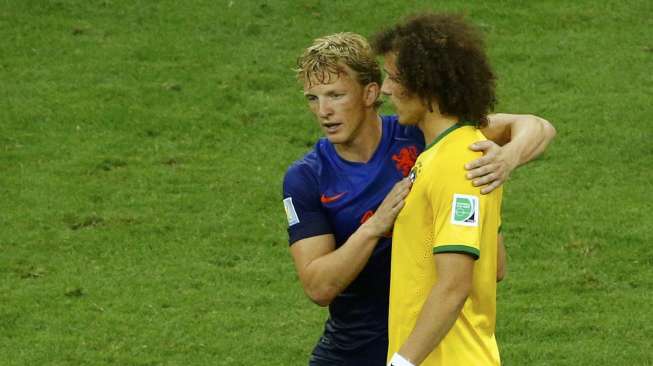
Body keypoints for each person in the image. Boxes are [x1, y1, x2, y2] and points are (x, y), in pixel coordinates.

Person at [283, 32, 555, 366]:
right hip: (353, 350)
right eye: (313, 98)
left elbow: (536, 126)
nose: (324, 111)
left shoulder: (422, 134)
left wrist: (508, 158)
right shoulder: (307, 176)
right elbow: (318, 287)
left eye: (336, 95)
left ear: (370, 92)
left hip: (429, 343)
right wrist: (375, 227)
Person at [373, 13, 516, 366]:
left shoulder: (456, 163)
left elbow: (454, 285)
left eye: (393, 77)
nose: (386, 89)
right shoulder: (448, 155)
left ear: (427, 83)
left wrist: (401, 364)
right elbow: (494, 266)